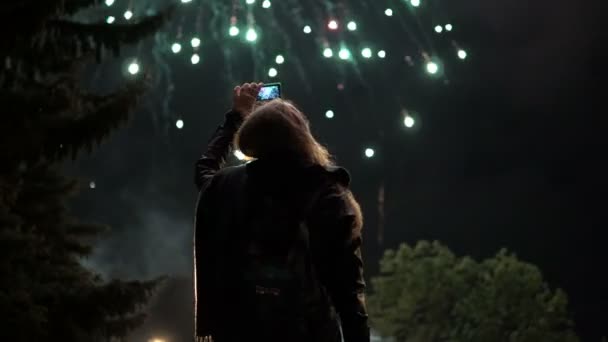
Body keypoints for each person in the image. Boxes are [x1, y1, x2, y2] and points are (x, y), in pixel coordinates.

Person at [193, 82, 370, 342]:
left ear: (251, 137)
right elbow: (348, 292)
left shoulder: (226, 185)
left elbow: (204, 169)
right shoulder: (325, 189)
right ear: (301, 135)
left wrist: (235, 117)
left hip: (237, 331)